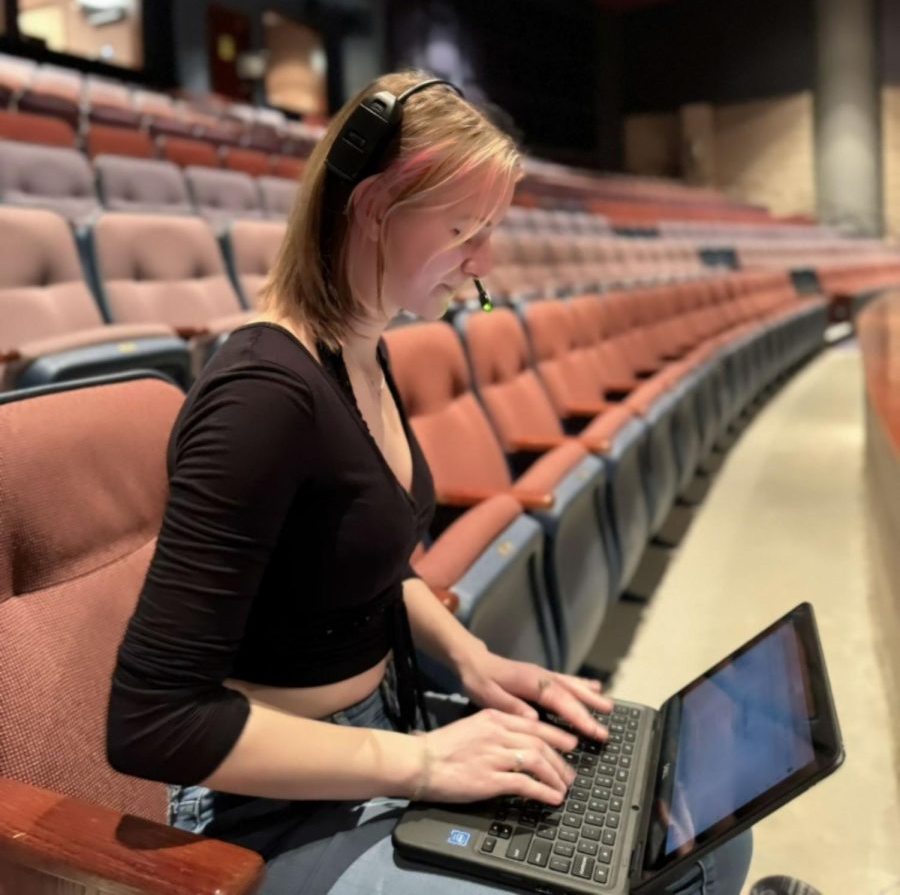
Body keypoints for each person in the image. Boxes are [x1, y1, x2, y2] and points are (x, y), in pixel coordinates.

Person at [106, 71, 753, 894]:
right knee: (656, 870)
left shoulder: (361, 353)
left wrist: (474, 660)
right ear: (374, 209)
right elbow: (153, 723)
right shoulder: (262, 398)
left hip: (380, 738)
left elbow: (364, 560)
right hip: (264, 811)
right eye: (464, 229)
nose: (486, 262)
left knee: (701, 825)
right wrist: (421, 763)